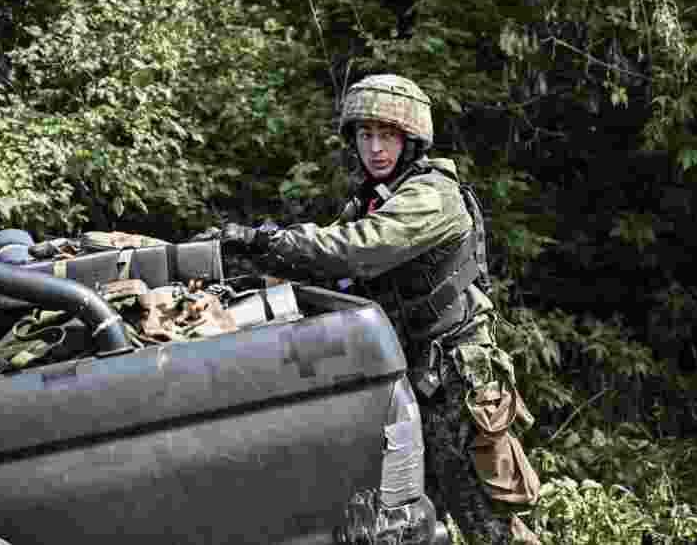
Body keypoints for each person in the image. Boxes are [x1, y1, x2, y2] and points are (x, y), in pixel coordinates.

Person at [207, 74, 542, 544]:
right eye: (366, 135)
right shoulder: (372, 200)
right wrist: (243, 252)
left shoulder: (432, 196)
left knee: (488, 523)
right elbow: (323, 264)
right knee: (412, 524)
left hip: (456, 382)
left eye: (387, 135)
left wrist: (272, 237)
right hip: (406, 379)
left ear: (410, 141)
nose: (375, 148)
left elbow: (356, 249)